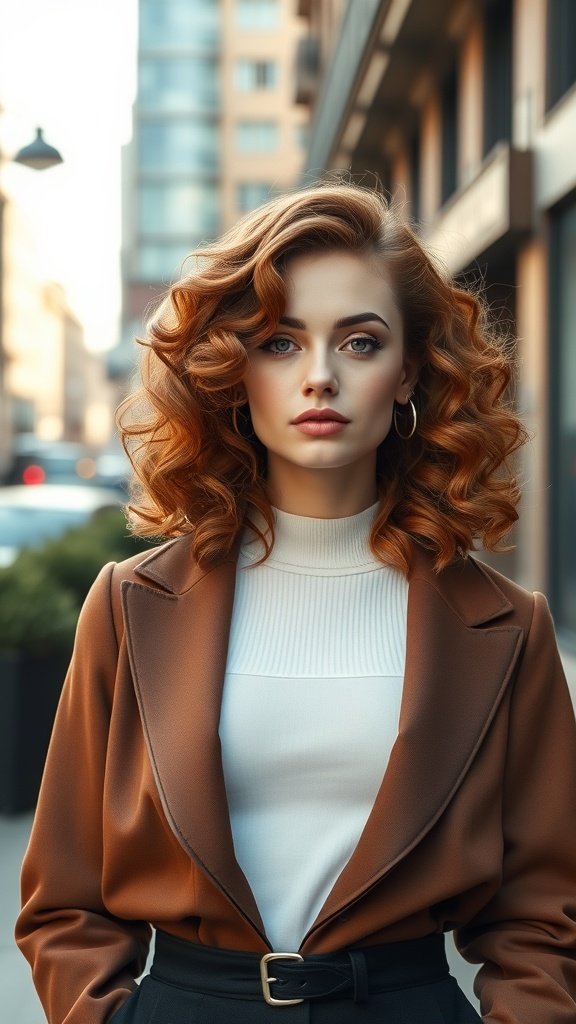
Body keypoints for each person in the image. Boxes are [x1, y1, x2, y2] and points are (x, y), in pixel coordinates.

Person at [16, 181, 576, 1024]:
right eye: (280, 342)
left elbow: (547, 917)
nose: (320, 377)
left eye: (360, 342)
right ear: (234, 372)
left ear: (408, 373)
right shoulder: (129, 606)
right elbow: (64, 900)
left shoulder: (508, 629)